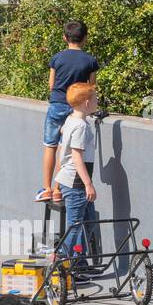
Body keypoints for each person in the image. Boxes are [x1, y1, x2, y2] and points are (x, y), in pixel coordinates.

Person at [39, 21, 99, 203]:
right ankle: (58, 189)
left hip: (56, 104)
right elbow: (90, 88)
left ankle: (47, 188)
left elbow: (51, 85)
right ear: (85, 38)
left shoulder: (57, 58)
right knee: (65, 149)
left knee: (51, 146)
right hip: (76, 108)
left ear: (65, 38)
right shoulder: (90, 61)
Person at [52, 82, 99, 268]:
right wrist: (88, 184)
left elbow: (61, 149)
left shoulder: (71, 120)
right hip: (76, 182)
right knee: (76, 224)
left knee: (88, 223)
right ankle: (62, 263)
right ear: (87, 103)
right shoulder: (80, 126)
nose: (97, 102)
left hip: (68, 179)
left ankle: (78, 262)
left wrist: (57, 181)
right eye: (95, 99)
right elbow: (77, 156)